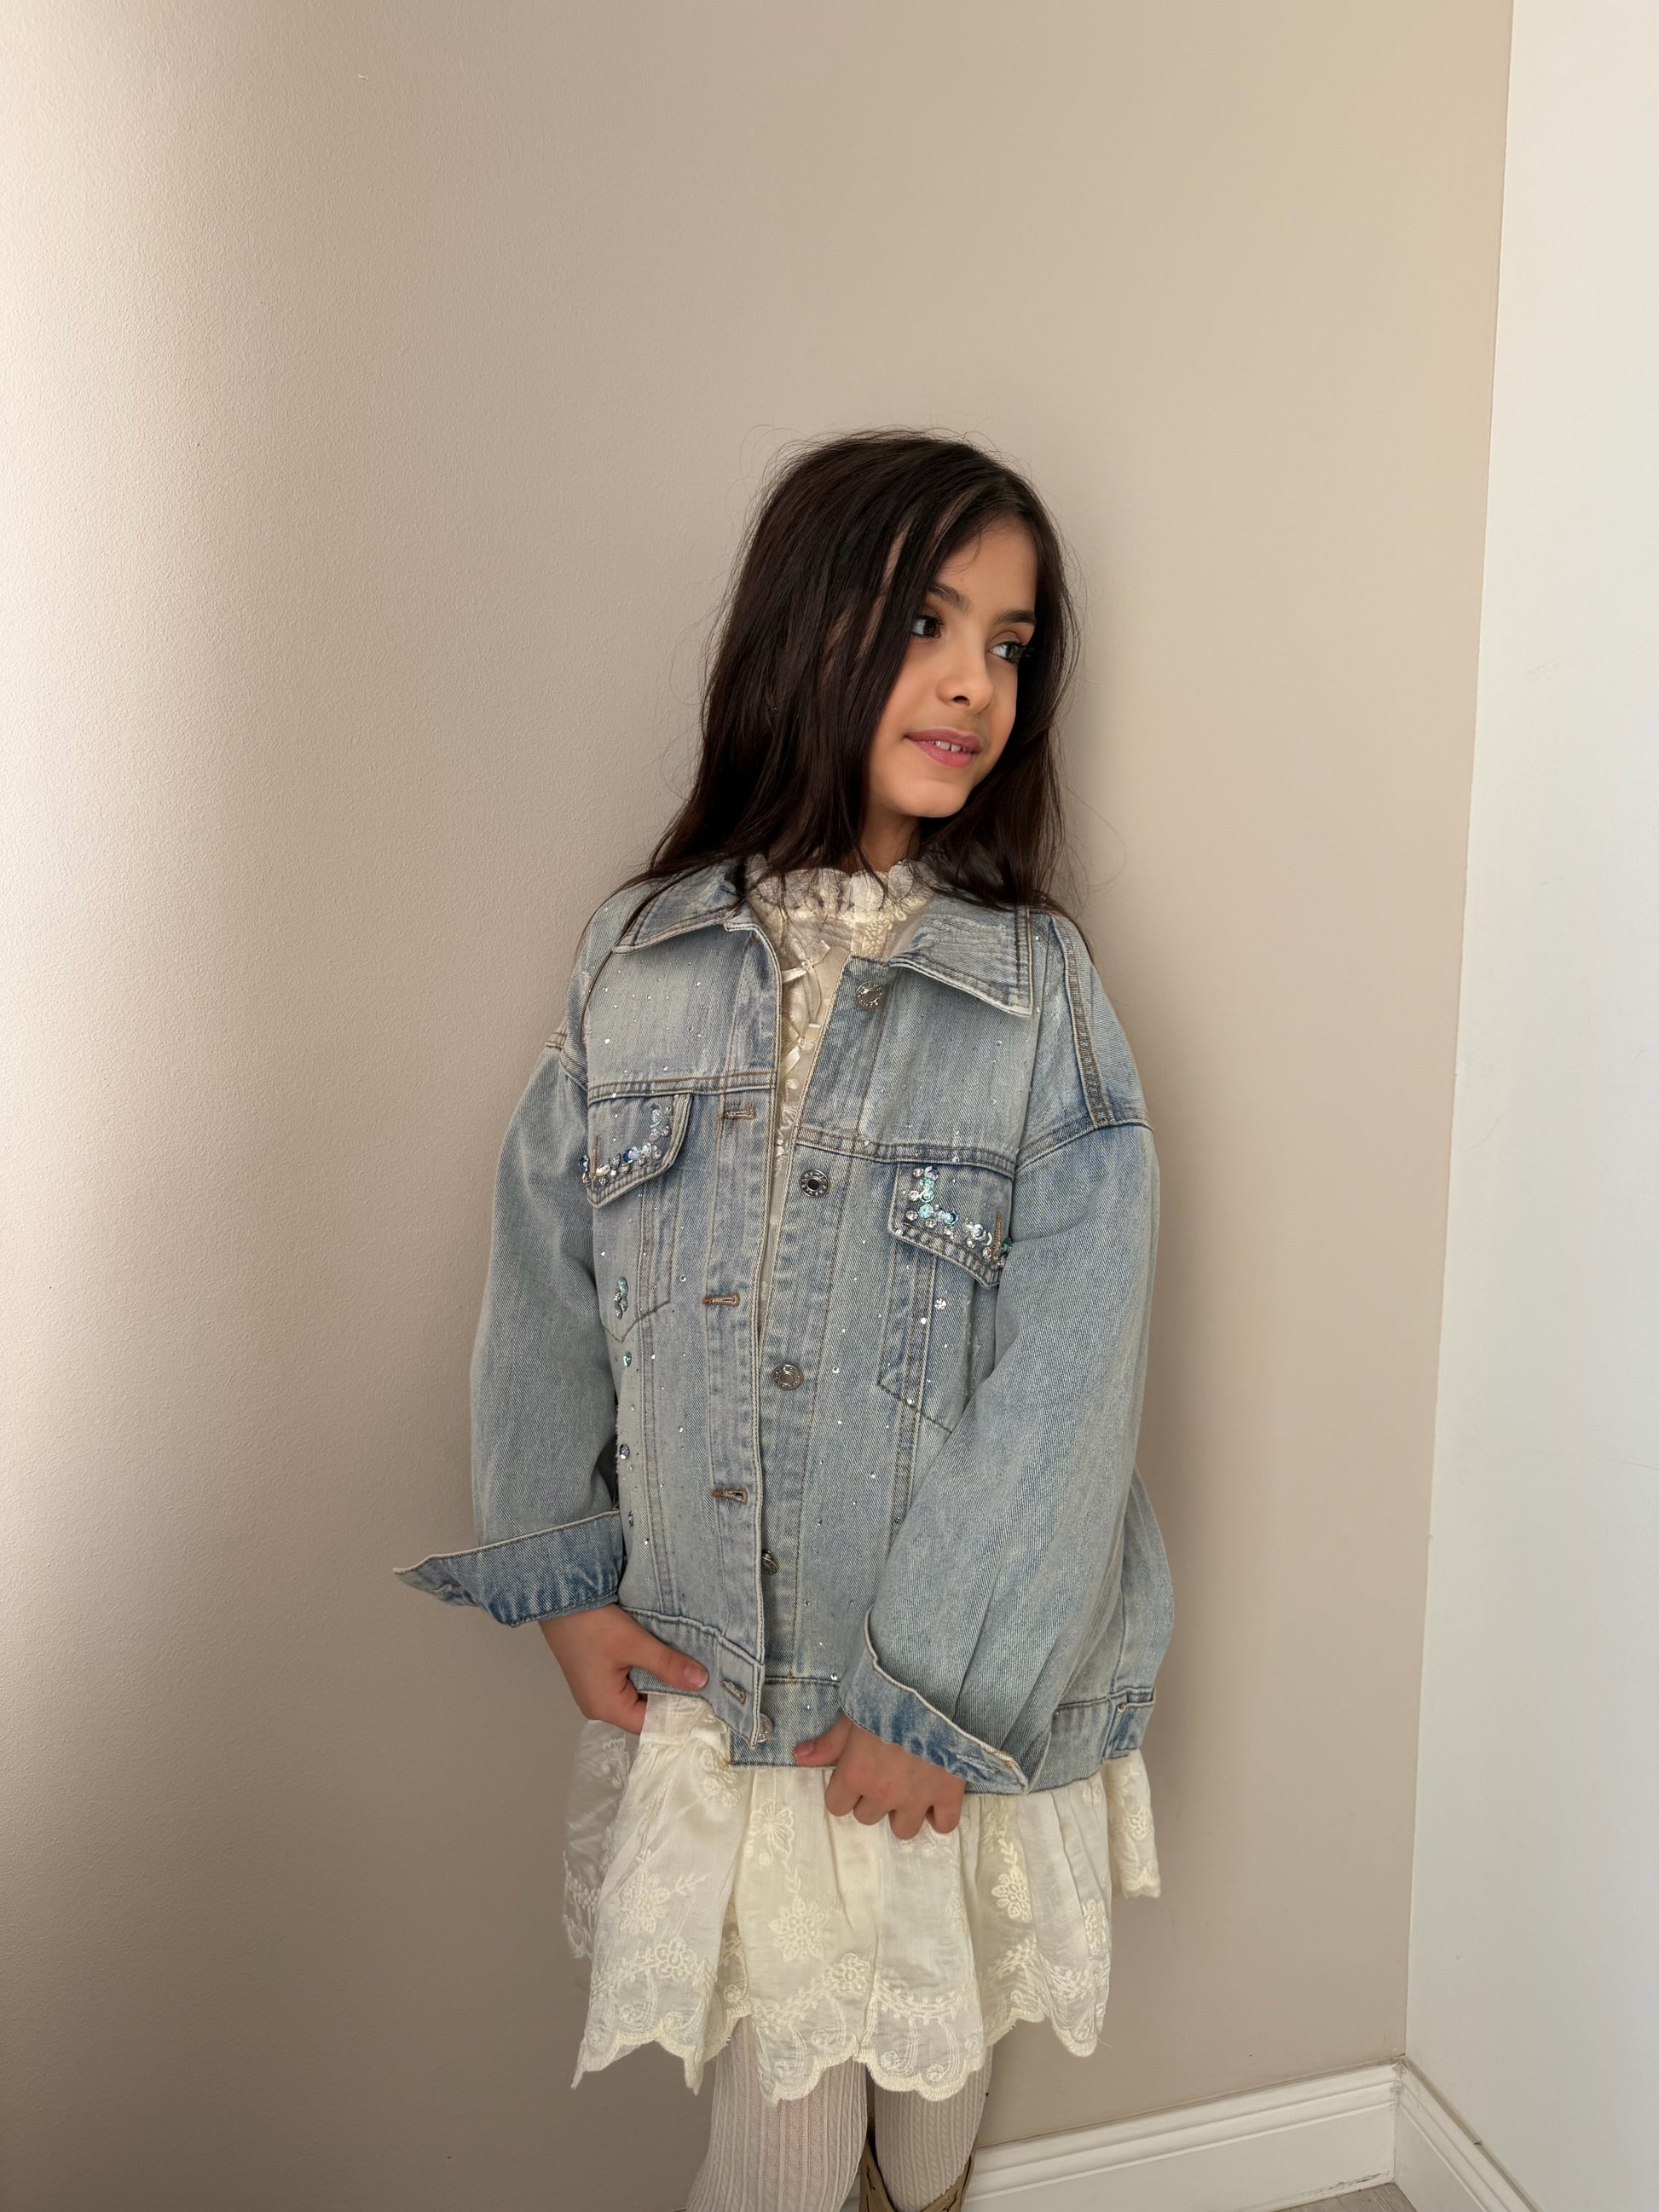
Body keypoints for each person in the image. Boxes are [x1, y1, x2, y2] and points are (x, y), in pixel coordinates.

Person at [396, 429, 1173, 2212]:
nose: (973, 682)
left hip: (931, 1681)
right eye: (923, 621)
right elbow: (545, 1278)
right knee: (784, 2117)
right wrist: (561, 1571)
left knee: (934, 2076)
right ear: (801, 627)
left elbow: (1076, 1357)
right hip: (718, 1676)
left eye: (1008, 642)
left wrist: (940, 1689)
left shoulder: (1035, 993)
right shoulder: (636, 957)